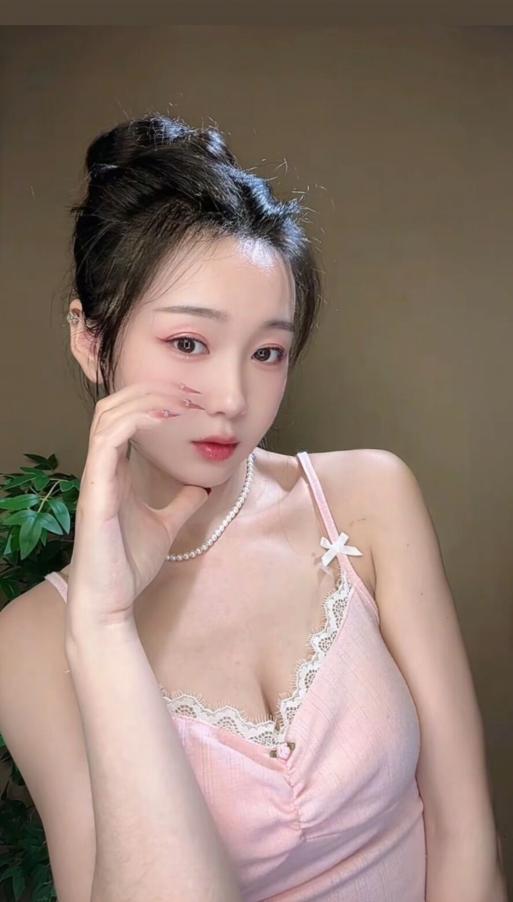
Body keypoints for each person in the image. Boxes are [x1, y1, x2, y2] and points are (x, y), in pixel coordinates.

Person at [0, 113, 506, 902]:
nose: (233, 399)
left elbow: (465, 835)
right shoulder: (27, 643)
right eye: (188, 344)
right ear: (92, 340)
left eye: (267, 352)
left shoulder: (367, 500)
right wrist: (103, 627)